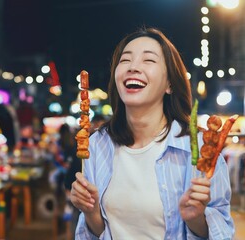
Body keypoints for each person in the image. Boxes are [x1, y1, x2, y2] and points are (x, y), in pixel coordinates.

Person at [70, 27, 235, 239]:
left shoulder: (203, 150)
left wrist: (196, 220)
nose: (133, 67)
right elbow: (92, 234)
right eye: (125, 60)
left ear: (169, 84)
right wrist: (91, 213)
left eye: (148, 60)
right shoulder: (97, 145)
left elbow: (224, 231)